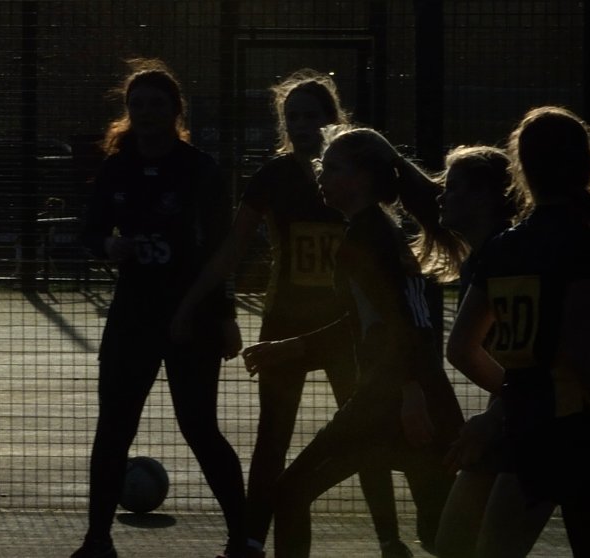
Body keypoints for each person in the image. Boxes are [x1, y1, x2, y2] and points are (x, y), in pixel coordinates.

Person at [171, 69, 411, 558]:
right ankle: (251, 539)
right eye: (292, 117)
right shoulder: (272, 178)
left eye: (312, 115)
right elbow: (232, 248)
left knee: (360, 432)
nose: (302, 125)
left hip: (346, 327)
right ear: (284, 125)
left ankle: (389, 538)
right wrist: (194, 300)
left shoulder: (351, 177)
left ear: (332, 119)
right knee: (272, 435)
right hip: (286, 320)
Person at [242, 125, 466, 557]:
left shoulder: (369, 237)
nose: (320, 176)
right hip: (400, 399)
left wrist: (411, 391)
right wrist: (287, 348)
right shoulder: (371, 232)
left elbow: (410, 321)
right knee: (438, 532)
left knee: (291, 492)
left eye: (331, 169)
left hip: (394, 402)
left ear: (361, 179)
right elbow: (364, 323)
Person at [74, 59, 250, 558]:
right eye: (138, 105)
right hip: (134, 313)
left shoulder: (200, 170)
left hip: (189, 316)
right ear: (128, 112)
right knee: (114, 429)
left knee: (199, 426)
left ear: (176, 110)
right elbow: (91, 231)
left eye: (157, 104)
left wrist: (224, 314)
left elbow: (222, 250)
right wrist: (108, 246)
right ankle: (97, 540)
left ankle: (241, 538)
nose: (147, 112)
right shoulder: (117, 168)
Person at [444, 107, 590, 557]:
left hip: (526, 428)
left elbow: (461, 349)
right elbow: (578, 355)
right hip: (583, 429)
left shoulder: (503, 248)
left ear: (522, 170)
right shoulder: (586, 243)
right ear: (588, 166)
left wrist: (514, 393)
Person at [427, 144, 521, 558]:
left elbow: (541, 359)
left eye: (452, 188)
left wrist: (501, 410)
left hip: (540, 417)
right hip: (518, 410)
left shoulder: (507, 258)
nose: (441, 196)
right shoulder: (483, 258)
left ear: (483, 197)